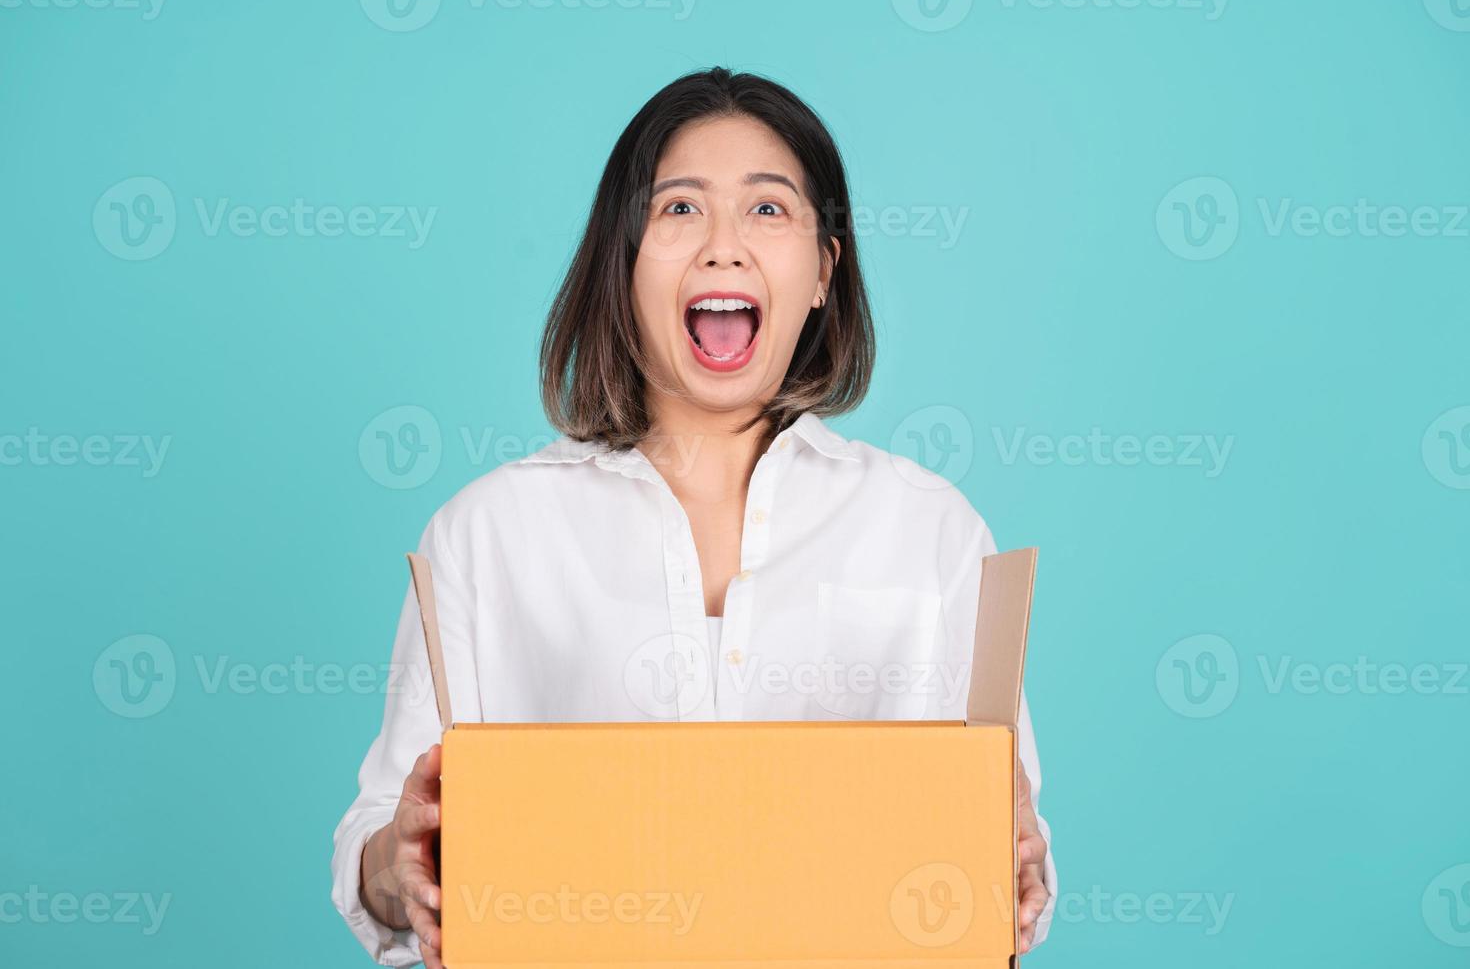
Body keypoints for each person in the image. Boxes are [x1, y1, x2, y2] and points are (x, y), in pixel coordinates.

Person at [330, 66, 1057, 968]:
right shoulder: (489, 533)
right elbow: (383, 840)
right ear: (622, 264)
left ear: (825, 271)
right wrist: (393, 868)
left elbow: (1002, 850)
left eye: (767, 209)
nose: (723, 247)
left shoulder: (930, 529)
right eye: (678, 210)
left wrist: (1016, 863)